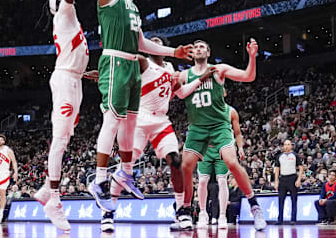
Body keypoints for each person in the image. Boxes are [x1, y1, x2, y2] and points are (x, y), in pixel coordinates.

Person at [73, 0, 194, 230]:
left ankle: (124, 174)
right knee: (113, 122)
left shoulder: (132, 6)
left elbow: (142, 43)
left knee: (125, 125)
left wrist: (174, 51)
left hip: (130, 68)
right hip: (115, 61)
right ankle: (98, 179)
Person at [109, 37, 201, 231]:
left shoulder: (169, 68)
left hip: (160, 120)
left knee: (176, 161)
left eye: (157, 42)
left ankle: (181, 210)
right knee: (126, 166)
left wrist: (199, 80)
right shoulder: (143, 62)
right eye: (151, 43)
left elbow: (181, 93)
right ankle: (108, 212)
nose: (154, 45)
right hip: (140, 118)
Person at [33, 0, 89, 233]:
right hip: (66, 79)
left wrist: (89, 72)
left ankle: (46, 188)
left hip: (74, 78)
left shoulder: (72, 24)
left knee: (65, 137)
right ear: (61, 4)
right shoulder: (65, 14)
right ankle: (53, 197)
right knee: (59, 137)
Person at [176, 39, 267, 231]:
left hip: (218, 126)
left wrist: (252, 57)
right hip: (197, 128)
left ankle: (254, 206)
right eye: (196, 47)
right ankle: (186, 211)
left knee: (232, 163)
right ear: (191, 53)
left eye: (203, 46)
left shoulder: (219, 70)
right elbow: (174, 94)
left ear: (208, 53)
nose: (199, 48)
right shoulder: (184, 75)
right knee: (185, 167)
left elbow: (248, 76)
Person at [196, 105, 244, 229]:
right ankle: (203, 213)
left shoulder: (231, 111)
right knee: (202, 181)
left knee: (222, 181)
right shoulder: (202, 109)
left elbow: (237, 132)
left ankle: (222, 216)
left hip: (222, 149)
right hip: (206, 149)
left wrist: (240, 148)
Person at [275, 140, 303, 225]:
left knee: (294, 200)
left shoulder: (295, 155)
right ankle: (280, 220)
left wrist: (299, 179)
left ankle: (293, 219)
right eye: (285, 144)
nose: (286, 146)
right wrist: (276, 180)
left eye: (288, 144)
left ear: (291, 146)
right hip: (283, 179)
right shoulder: (280, 156)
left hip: (292, 178)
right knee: (281, 200)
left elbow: (301, 168)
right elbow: (277, 169)